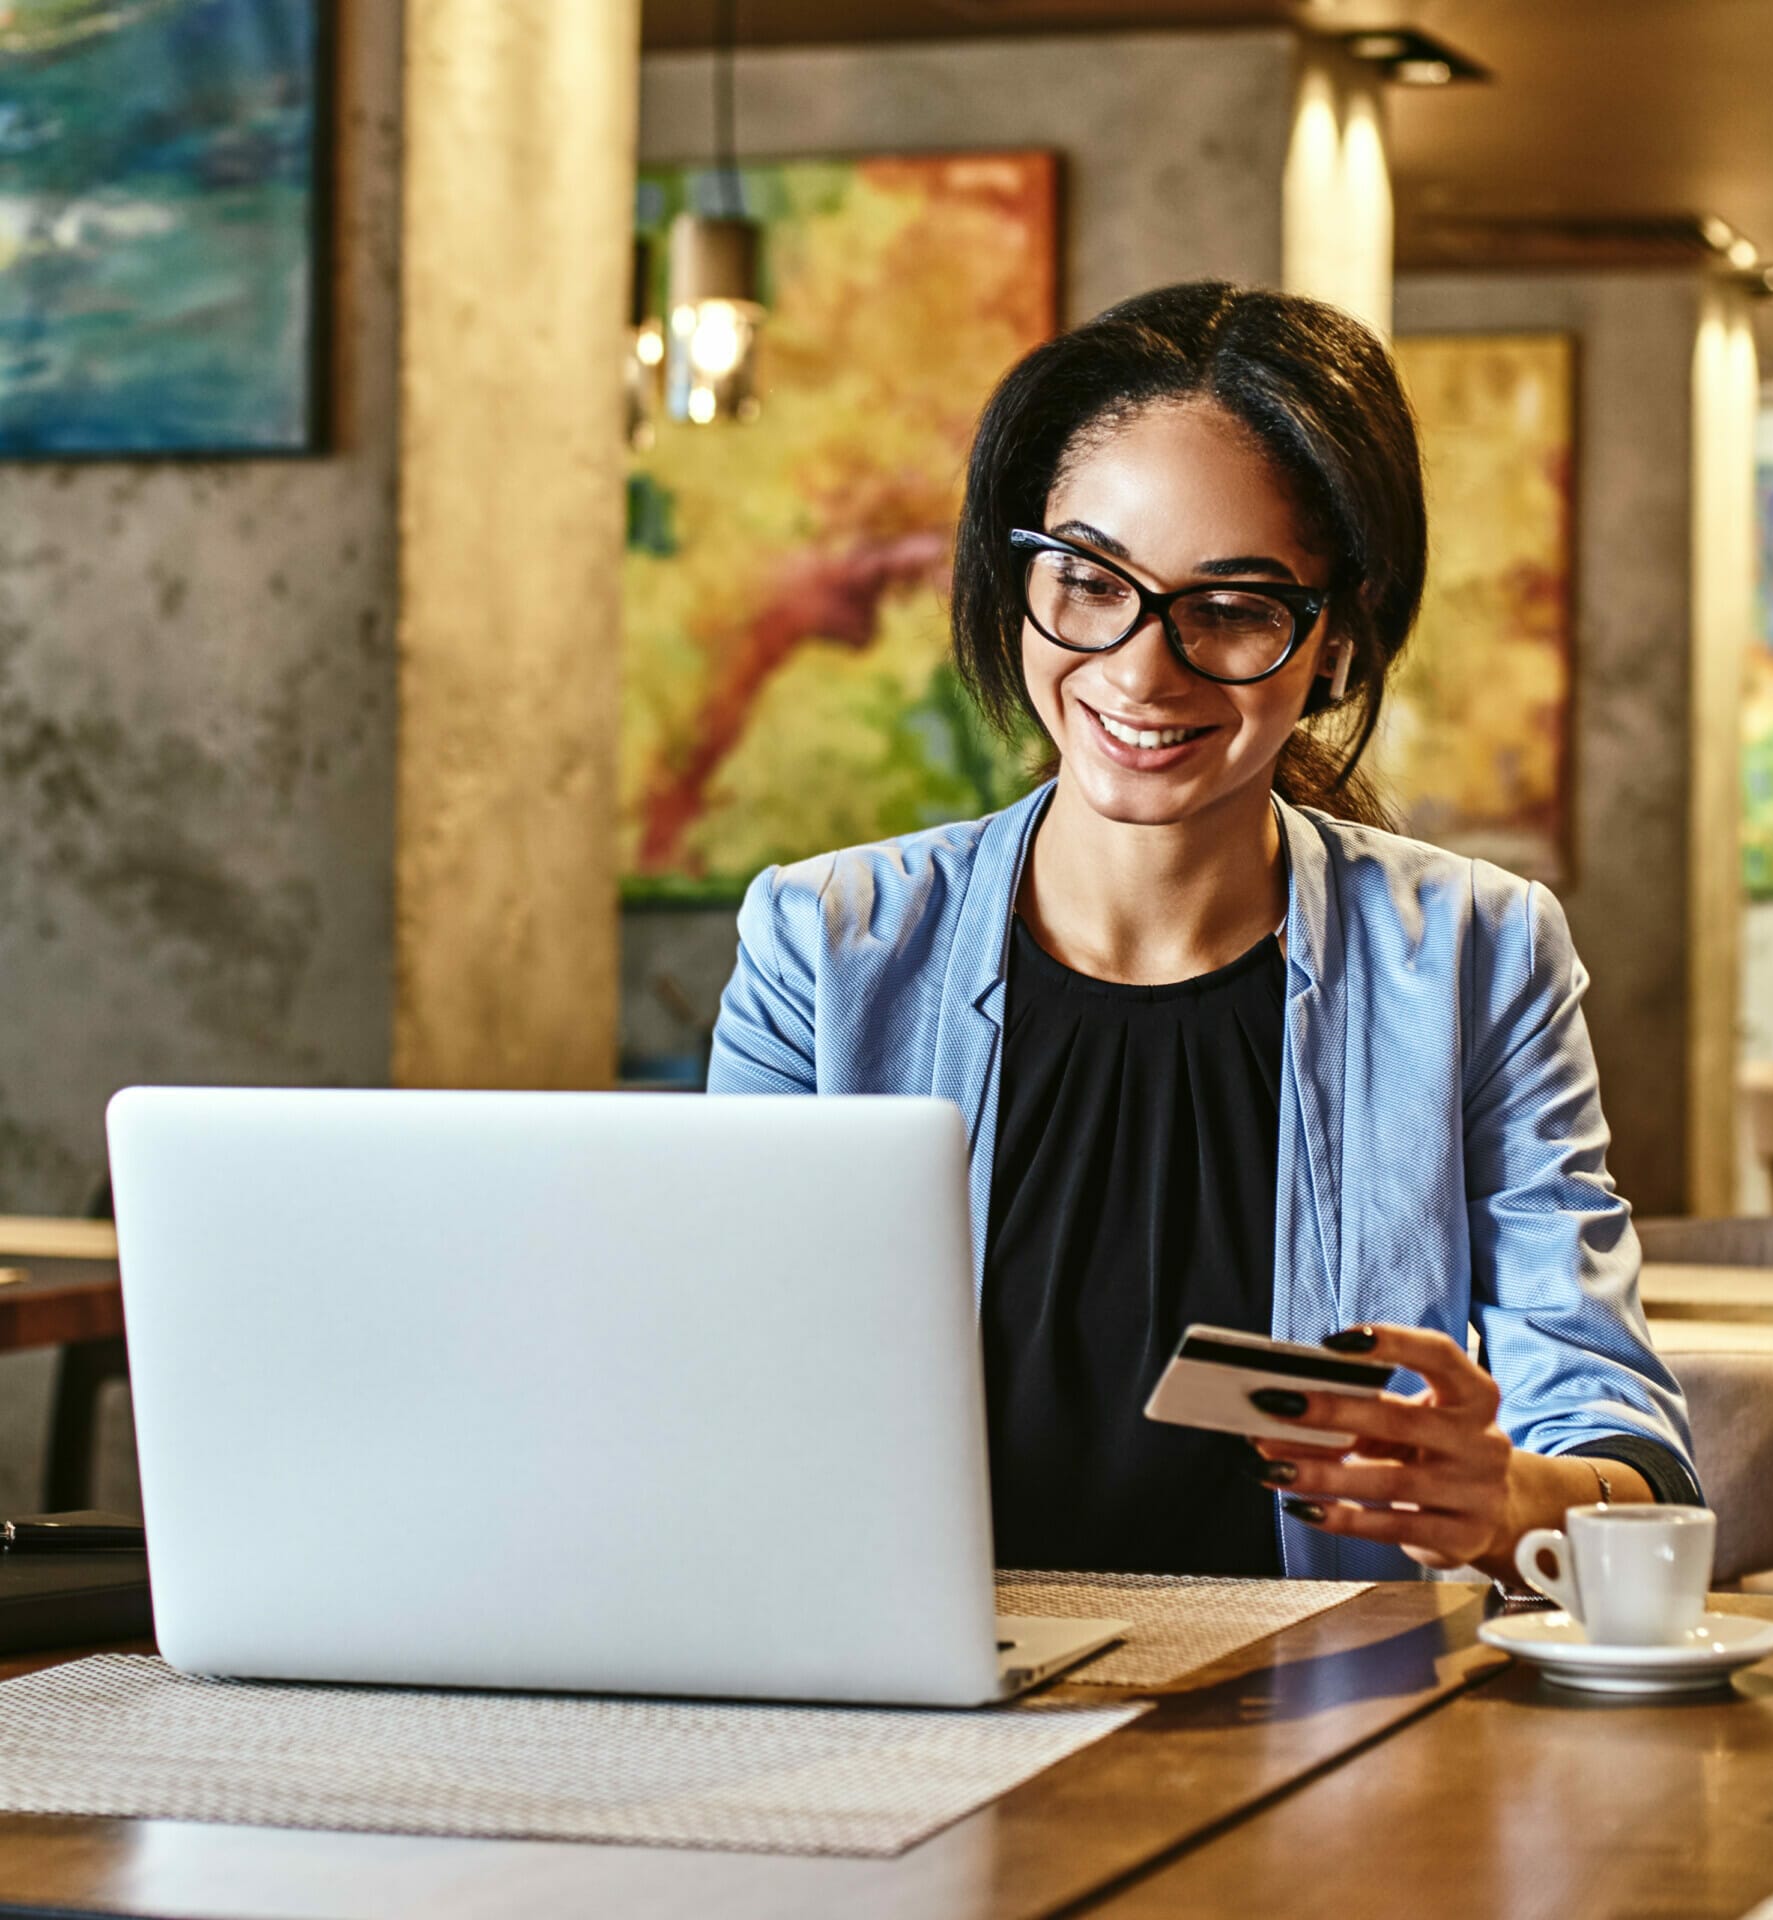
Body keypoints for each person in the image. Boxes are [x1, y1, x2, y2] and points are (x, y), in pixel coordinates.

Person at [707, 282, 1699, 1584]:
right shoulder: (827, 950)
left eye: (1231, 608)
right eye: (1089, 580)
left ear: (1336, 640)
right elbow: (717, 1386)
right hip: (916, 1723)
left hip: (1341, 1742)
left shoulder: (1474, 957)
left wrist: (1507, 1497)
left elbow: (1626, 1450)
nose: (1140, 669)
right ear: (1020, 583)